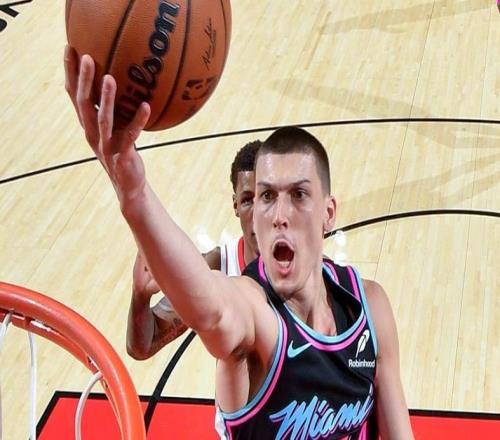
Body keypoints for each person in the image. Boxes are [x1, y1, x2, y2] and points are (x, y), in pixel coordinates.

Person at [64, 46, 414, 439]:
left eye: (299, 194)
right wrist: (134, 194)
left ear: (328, 213)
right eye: (266, 196)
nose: (279, 214)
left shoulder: (369, 307)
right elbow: (212, 313)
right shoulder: (253, 313)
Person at [126, 140, 261, 360]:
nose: (258, 212)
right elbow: (143, 347)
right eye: (247, 200)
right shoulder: (215, 266)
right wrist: (140, 297)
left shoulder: (306, 264)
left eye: (266, 196)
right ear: (236, 205)